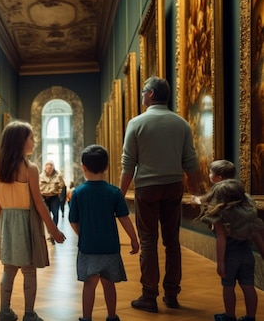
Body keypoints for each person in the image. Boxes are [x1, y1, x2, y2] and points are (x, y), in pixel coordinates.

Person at [119, 76, 203, 313]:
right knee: (172, 241)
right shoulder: (181, 123)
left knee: (148, 241)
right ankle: (172, 293)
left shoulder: (136, 123)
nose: (142, 94)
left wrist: (119, 195)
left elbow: (128, 164)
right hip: (174, 186)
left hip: (147, 188)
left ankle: (149, 295)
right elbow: (191, 163)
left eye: (144, 91)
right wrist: (197, 192)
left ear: (151, 94)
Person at [0, 120, 65, 321]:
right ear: (19, 142)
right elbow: (40, 204)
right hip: (26, 224)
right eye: (31, 138)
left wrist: (7, 222)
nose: (34, 141)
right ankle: (29, 314)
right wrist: (54, 231)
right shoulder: (29, 168)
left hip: (7, 221)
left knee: (8, 270)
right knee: (29, 271)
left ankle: (4, 312)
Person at [69, 145, 139, 321]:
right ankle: (112, 316)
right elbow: (124, 218)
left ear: (83, 167)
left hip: (88, 248)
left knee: (89, 284)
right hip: (110, 247)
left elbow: (73, 221)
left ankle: (86, 318)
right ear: (107, 167)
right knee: (109, 284)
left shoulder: (78, 193)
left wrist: (82, 235)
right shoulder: (114, 192)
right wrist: (133, 238)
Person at [195, 179, 264, 321]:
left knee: (228, 287)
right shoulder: (249, 213)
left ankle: (229, 316)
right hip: (247, 255)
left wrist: (220, 262)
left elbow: (222, 239)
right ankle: (251, 317)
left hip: (230, 256)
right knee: (248, 287)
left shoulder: (221, 215)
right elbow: (257, 233)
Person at [39, 160, 66, 243]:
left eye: (51, 165)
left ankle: (53, 233)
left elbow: (63, 187)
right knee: (46, 215)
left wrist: (62, 198)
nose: (49, 167)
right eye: (47, 165)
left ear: (53, 167)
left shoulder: (58, 176)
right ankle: (50, 232)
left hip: (54, 197)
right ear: (45, 167)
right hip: (44, 197)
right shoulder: (40, 176)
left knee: (55, 214)